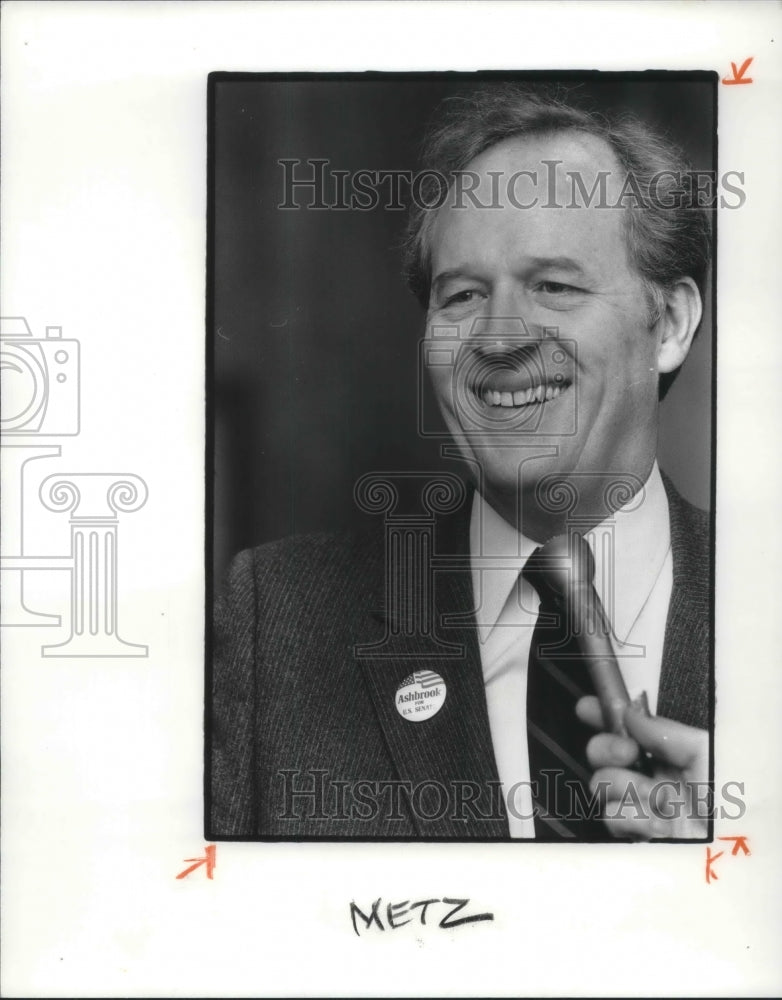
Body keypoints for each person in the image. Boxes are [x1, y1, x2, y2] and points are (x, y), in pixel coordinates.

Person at [209, 86, 712, 841]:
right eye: (463, 295)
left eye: (555, 287)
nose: (500, 338)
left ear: (668, 323)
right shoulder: (280, 622)